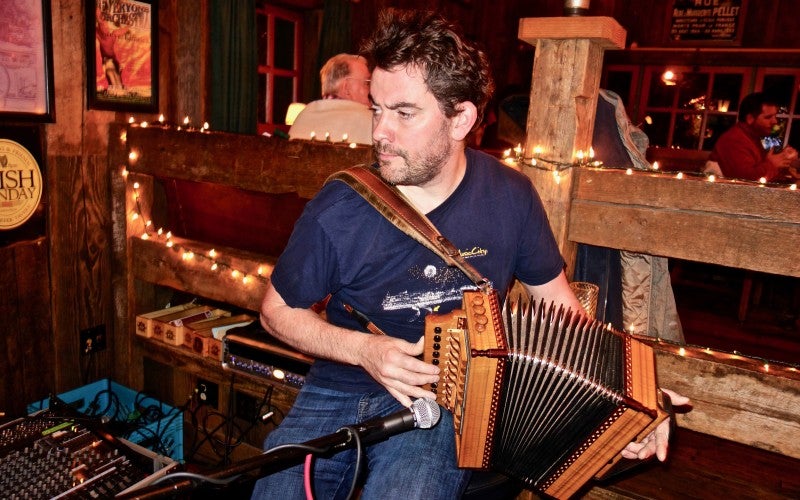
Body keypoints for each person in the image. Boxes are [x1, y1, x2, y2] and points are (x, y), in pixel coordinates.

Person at [251, 9, 686, 500]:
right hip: (339, 385)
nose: (379, 132)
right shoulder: (340, 206)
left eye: (404, 113)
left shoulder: (512, 196)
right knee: (276, 491)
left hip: (449, 392)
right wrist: (365, 352)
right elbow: (275, 311)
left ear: (462, 118)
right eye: (376, 108)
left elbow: (562, 308)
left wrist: (636, 400)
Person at [708, 92, 799, 182]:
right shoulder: (734, 139)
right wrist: (772, 164)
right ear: (750, 119)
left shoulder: (756, 136)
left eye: (775, 116)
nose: (775, 121)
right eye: (768, 117)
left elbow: (764, 169)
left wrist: (784, 157)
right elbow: (745, 179)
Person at [288, 53, 373, 145]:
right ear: (347, 87)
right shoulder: (368, 120)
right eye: (367, 83)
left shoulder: (303, 116)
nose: (372, 90)